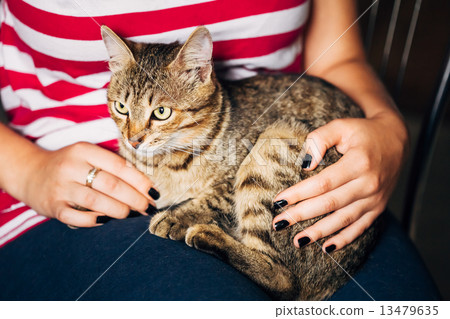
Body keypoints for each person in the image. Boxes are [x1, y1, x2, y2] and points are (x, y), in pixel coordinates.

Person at [0, 0, 410, 300]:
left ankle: (270, 268)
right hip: (61, 192)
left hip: (323, 185)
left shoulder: (209, 111)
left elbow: (340, 57)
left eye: (158, 113)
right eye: (122, 109)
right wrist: (26, 170)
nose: (135, 134)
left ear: (200, 73)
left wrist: (389, 129)